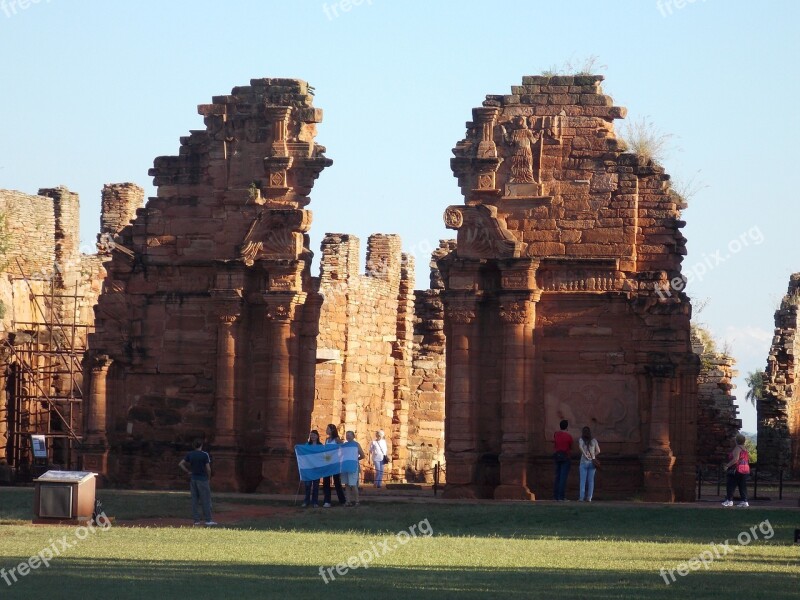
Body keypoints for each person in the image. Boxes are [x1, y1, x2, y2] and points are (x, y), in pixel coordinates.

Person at [178, 439, 217, 526]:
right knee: (206, 499)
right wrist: (209, 478)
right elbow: (208, 469)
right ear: (201, 445)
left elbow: (180, 464)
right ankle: (208, 520)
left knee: (194, 500)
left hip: (193, 478)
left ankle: (196, 520)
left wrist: (188, 471)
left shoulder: (190, 454)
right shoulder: (204, 455)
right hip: (203, 479)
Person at [722, 433, 750, 508]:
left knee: (731, 484)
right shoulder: (745, 448)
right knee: (742, 486)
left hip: (737, 469)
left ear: (736, 440)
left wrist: (727, 466)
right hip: (745, 469)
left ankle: (729, 500)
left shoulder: (737, 448)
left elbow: (735, 459)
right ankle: (744, 501)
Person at [322, 423, 346, 508]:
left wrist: (339, 457)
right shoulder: (327, 439)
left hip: (335, 462)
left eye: (328, 428)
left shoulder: (336, 439)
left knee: (337, 482)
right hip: (327, 462)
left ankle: (342, 500)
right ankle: (327, 501)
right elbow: (325, 451)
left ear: (332, 430)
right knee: (326, 482)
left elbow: (343, 448)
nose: (326, 430)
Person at [577, 426, 600, 502]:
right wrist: (593, 455)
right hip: (592, 462)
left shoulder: (581, 440)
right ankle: (589, 497)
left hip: (583, 462)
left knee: (582, 481)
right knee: (591, 481)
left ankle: (581, 497)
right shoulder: (594, 440)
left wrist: (585, 455)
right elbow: (598, 451)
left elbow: (580, 447)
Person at [343, 431, 366, 506]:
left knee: (353, 484)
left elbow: (362, 455)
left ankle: (357, 501)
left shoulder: (356, 444)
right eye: (347, 435)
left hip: (353, 466)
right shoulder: (344, 445)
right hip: (346, 466)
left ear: (353, 436)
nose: (348, 436)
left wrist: (355, 459)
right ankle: (348, 501)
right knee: (346, 484)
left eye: (349, 435)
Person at [553, 419, 573, 501]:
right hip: (565, 457)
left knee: (557, 477)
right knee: (563, 478)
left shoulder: (556, 435)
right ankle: (561, 497)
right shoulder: (568, 436)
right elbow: (571, 447)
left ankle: (555, 496)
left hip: (557, 456)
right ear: (567, 427)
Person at [301, 430, 322, 508]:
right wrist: (297, 448)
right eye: (311, 435)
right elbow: (303, 452)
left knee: (316, 486)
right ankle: (306, 501)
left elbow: (323, 456)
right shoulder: (307, 445)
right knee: (307, 485)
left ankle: (315, 502)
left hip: (317, 468)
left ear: (317, 436)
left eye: (314, 435)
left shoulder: (320, 445)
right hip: (308, 468)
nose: (313, 437)